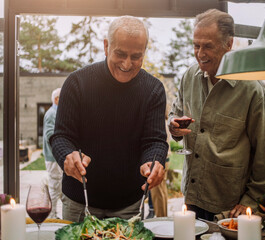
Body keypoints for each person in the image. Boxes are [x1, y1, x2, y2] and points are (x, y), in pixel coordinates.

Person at [50, 16, 168, 222]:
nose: (127, 64)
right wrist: (67, 155)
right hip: (80, 201)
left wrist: (154, 160)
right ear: (106, 46)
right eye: (120, 54)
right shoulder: (77, 82)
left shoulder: (154, 89)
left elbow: (154, 141)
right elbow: (61, 136)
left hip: (129, 205)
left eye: (136, 56)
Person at [168, 9, 265, 221]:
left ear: (229, 44)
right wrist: (173, 126)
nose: (200, 53)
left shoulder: (254, 90)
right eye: (196, 45)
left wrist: (251, 200)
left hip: (230, 207)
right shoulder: (189, 76)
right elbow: (176, 113)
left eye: (208, 46)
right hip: (191, 198)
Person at [43, 87, 63, 219]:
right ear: (56, 99)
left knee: (59, 188)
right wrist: (61, 151)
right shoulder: (51, 114)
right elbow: (50, 134)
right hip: (54, 158)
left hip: (56, 158)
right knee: (55, 188)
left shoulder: (56, 113)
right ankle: (51, 218)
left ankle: (54, 216)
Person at [148, 107, 171, 218]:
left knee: (158, 193)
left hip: (160, 160)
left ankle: (161, 218)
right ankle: (162, 217)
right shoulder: (165, 121)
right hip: (164, 159)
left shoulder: (160, 123)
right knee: (161, 191)